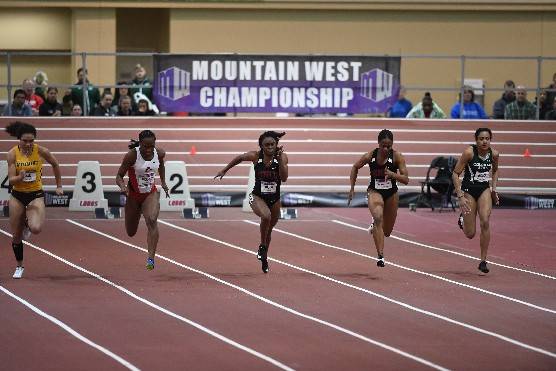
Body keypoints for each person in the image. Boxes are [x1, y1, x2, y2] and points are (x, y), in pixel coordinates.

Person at [215, 131, 289, 273]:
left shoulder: (283, 157)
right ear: (261, 146)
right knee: (266, 216)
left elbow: (284, 178)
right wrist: (224, 170)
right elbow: (240, 158)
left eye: (272, 144)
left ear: (276, 145)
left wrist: (279, 161)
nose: (270, 147)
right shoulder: (255, 156)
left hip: (275, 198)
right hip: (256, 196)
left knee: (269, 230)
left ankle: (264, 257)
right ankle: (262, 246)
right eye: (266, 145)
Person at [5, 121, 63, 279]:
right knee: (16, 236)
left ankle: (27, 223)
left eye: (31, 140)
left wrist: (59, 186)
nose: (29, 144)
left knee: (36, 228)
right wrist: (20, 177)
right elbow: (11, 181)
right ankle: (19, 266)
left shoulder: (41, 151)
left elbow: (55, 164)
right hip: (18, 195)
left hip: (35, 194)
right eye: (25, 141)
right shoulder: (12, 154)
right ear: (19, 140)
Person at [347, 129, 409, 267]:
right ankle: (380, 256)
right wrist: (352, 188)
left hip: (391, 193)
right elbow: (355, 167)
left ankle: (375, 224)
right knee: (378, 216)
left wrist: (394, 175)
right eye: (383, 146)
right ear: (378, 144)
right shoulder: (370, 156)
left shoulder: (397, 157)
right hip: (375, 191)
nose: (386, 149)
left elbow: (406, 179)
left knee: (386, 232)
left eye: (389, 146)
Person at [116, 130, 169, 270]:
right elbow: (119, 176)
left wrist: (163, 182)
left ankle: (151, 258)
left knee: (152, 220)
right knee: (131, 232)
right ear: (140, 144)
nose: (148, 150)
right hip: (133, 196)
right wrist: (122, 187)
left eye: (151, 146)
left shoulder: (160, 153)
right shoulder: (132, 155)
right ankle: (137, 212)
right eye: (145, 146)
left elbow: (161, 165)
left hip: (150, 194)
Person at [452, 128, 499, 274]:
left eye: (487, 138)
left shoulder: (494, 154)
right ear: (476, 140)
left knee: (485, 221)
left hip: (484, 189)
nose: (484, 141)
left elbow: (495, 171)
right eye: (481, 139)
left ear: (490, 140)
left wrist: (494, 189)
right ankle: (462, 221)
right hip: (469, 190)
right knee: (470, 234)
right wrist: (460, 195)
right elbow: (455, 173)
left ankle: (483, 261)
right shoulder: (469, 153)